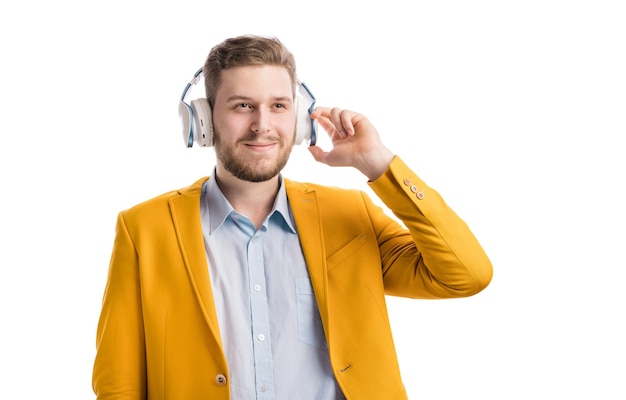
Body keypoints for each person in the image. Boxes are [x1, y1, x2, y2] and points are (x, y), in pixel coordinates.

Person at [92, 34, 493, 400]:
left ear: (300, 120)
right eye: (242, 106)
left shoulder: (351, 215)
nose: (262, 125)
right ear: (203, 120)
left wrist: (379, 165)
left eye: (279, 106)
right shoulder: (144, 228)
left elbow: (465, 275)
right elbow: (118, 383)